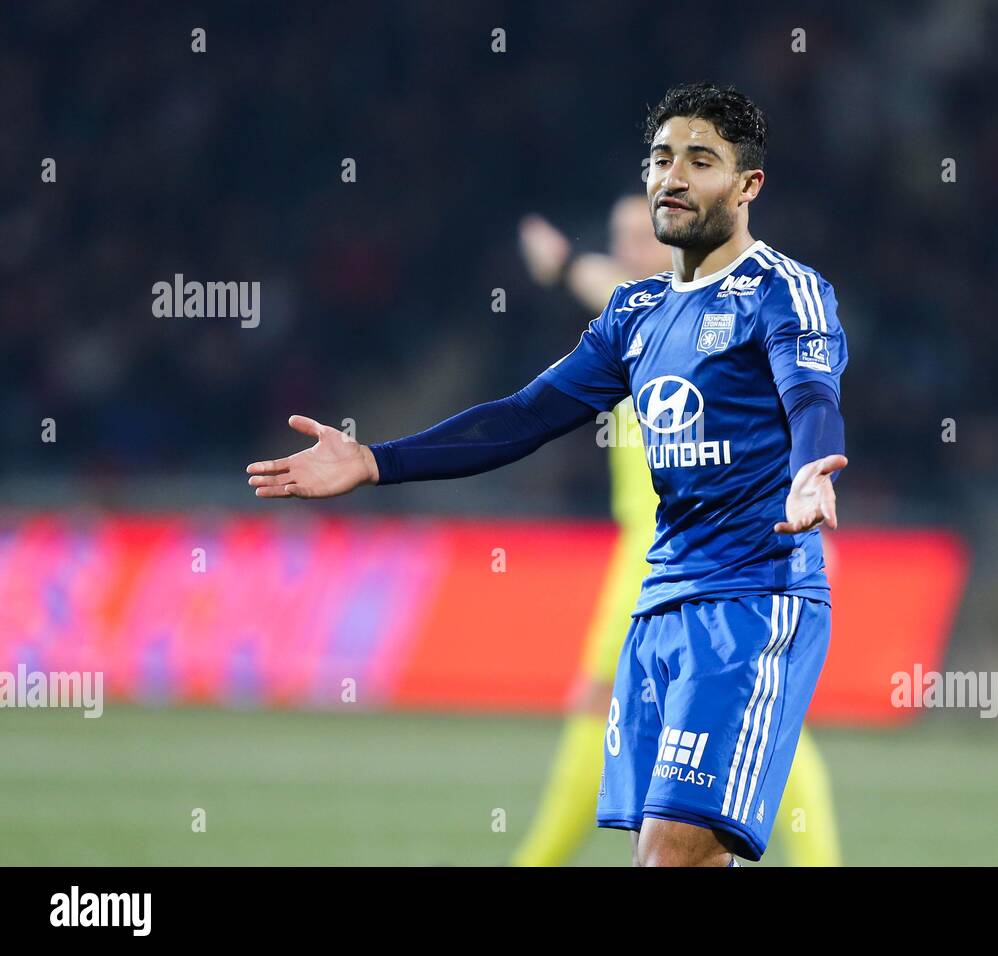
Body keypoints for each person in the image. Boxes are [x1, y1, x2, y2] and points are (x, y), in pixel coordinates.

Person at [246, 81, 849, 867]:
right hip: (660, 603)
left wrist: (812, 467)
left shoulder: (783, 291)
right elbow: (524, 415)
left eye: (701, 160)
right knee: (675, 857)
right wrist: (374, 460)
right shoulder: (636, 314)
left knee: (671, 854)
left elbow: (810, 393)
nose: (673, 176)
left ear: (748, 185)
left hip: (752, 598)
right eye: (661, 158)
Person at [511, 196, 841, 866]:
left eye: (643, 234)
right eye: (620, 236)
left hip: (694, 553)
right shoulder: (634, 320)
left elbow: (796, 403)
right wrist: (566, 265)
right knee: (741, 718)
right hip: (652, 551)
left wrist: (563, 262)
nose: (630, 248)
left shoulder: (718, 317)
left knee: (609, 709)